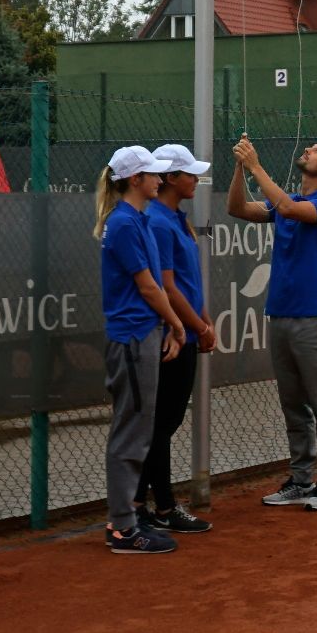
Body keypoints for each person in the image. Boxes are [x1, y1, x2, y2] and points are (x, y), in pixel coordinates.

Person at [228, 133, 317, 511]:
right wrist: (239, 168)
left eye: (316, 151)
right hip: (280, 315)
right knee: (293, 404)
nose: (308, 150)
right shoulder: (288, 202)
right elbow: (237, 209)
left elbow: (287, 208)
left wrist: (255, 166)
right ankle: (300, 480)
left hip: (315, 317)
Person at [96, 145, 187, 554]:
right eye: (152, 174)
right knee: (131, 432)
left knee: (138, 428)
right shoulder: (125, 223)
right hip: (132, 337)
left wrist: (166, 324)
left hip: (143, 333)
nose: (158, 178)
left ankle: (128, 520)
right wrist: (176, 322)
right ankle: (121, 528)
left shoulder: (139, 219)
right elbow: (148, 286)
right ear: (135, 180)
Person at [136, 143, 220, 534]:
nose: (196, 180)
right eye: (189, 174)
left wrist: (203, 321)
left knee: (163, 424)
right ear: (170, 178)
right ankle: (162, 507)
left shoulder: (176, 217)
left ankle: (150, 507)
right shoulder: (156, 220)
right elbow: (166, 286)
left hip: (186, 331)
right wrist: (196, 327)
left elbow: (189, 280)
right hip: (173, 336)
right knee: (161, 425)